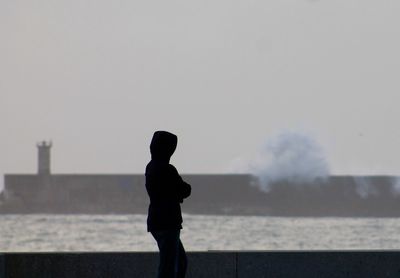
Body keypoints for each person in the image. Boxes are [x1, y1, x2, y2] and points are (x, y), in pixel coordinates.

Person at [145, 131, 192, 278]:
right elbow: (185, 189)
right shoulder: (168, 169)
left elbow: (165, 191)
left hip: (156, 221)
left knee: (177, 262)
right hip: (168, 223)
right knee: (170, 266)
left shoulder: (151, 166)